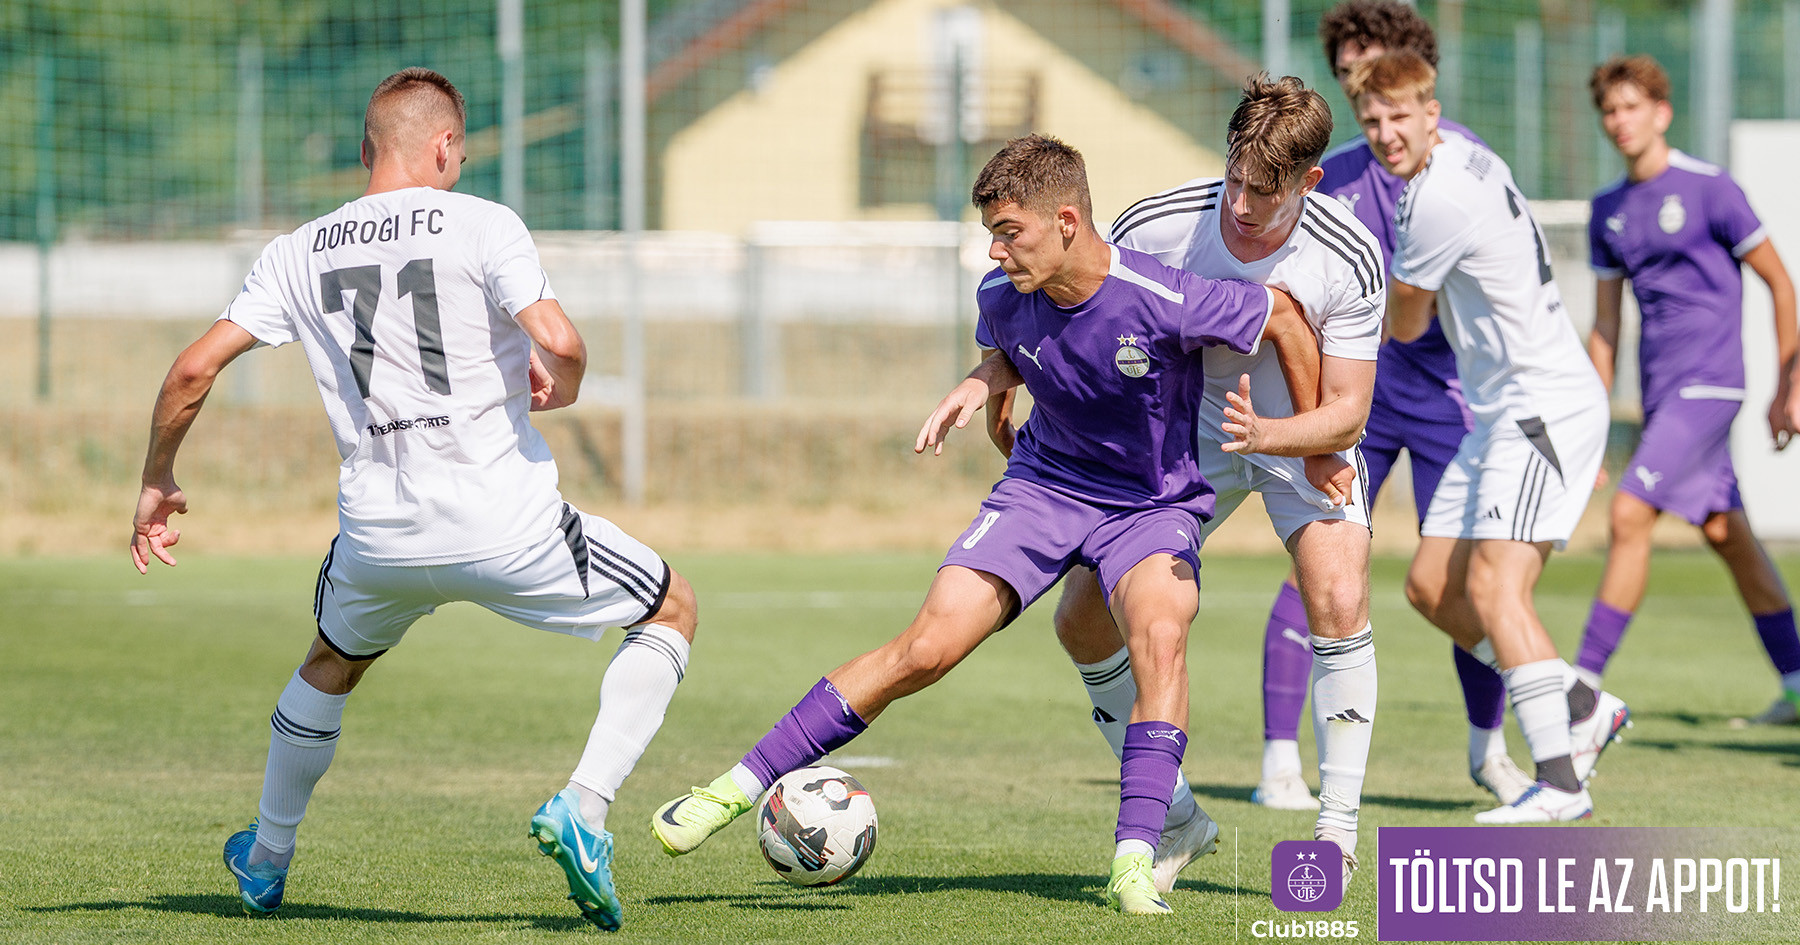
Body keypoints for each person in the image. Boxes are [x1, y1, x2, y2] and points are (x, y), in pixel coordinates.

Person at [649, 134, 1320, 916]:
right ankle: (730, 790)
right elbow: (1016, 350)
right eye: (991, 234)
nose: (996, 251)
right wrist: (987, 389)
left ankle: (1136, 859)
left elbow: (1285, 319)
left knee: (1160, 635)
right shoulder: (1001, 294)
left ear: (1066, 221)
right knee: (925, 648)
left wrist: (1314, 443)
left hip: (1150, 506)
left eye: (1009, 232)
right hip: (1043, 489)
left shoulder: (1163, 294)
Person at [129, 68, 696, 930]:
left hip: (381, 538)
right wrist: (567, 382)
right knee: (671, 607)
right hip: (508, 524)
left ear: (367, 148)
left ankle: (266, 858)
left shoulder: (296, 250)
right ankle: (584, 806)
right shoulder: (484, 222)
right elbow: (560, 339)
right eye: (459, 154)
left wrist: (157, 478)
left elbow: (191, 370)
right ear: (443, 146)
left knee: (329, 663)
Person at [1028, 75, 1380, 888]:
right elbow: (1088, 321)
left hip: (1298, 427)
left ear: (1309, 181)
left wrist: (1279, 437)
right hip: (1183, 428)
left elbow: (1349, 412)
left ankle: (1335, 833)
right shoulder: (1157, 225)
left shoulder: (1349, 251)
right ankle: (1180, 814)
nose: (1243, 204)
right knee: (1082, 621)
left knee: (1339, 592)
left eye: (1266, 190)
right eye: (1235, 179)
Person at [1236, 0, 1527, 811]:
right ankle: (1279, 762)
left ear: (1416, 75)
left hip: (1449, 398)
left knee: (1463, 580)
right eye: (1346, 70)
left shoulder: (1465, 163)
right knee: (1316, 562)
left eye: (1373, 63)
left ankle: (1491, 752)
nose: (1359, 81)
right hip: (1352, 393)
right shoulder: (1331, 176)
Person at [1346, 51, 1629, 824]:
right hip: (1501, 411)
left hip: (1541, 408)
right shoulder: (1468, 159)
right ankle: (1580, 701)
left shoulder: (1435, 197)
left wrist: (1352, 306)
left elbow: (1407, 323)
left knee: (1497, 589)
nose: (1385, 133)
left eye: (1399, 116)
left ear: (1430, 111)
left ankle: (1561, 783)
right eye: (1371, 121)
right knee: (1431, 586)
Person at [1577, 55, 1800, 725]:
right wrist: (1591, 420)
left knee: (1628, 514)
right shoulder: (1607, 211)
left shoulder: (1711, 189)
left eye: (1631, 107)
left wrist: (1788, 384)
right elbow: (1606, 326)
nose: (1619, 120)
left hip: (1713, 386)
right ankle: (1797, 683)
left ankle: (1581, 693)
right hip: (1662, 395)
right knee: (1728, 533)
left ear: (1661, 113)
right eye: (1609, 111)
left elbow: (1780, 283)